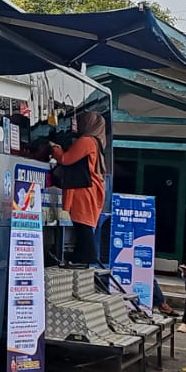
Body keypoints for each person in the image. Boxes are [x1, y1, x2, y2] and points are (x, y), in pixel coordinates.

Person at [50, 110, 108, 266]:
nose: (76, 125)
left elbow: (66, 159)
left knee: (82, 225)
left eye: (80, 121)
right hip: (91, 190)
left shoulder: (86, 141)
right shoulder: (97, 142)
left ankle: (86, 256)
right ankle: (81, 255)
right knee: (83, 224)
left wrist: (55, 149)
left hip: (84, 190)